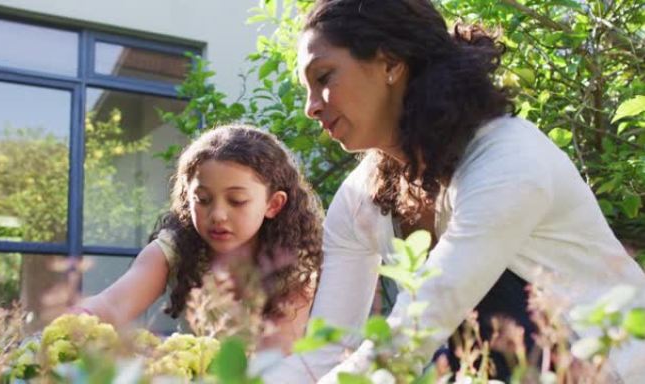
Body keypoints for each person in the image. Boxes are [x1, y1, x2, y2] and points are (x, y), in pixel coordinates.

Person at [262, 0, 645, 382]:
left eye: (324, 77)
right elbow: (327, 351)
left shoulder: (509, 159)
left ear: (390, 63)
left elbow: (418, 328)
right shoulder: (362, 195)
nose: (311, 107)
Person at [72, 124, 324, 353]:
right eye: (202, 199)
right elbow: (111, 305)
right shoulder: (173, 249)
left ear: (274, 204)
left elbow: (275, 357)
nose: (217, 215)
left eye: (236, 201)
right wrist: (62, 328)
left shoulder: (293, 265)